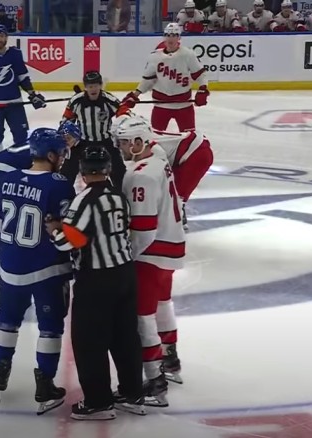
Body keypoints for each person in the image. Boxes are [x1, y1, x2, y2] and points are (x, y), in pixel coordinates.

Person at [46, 147, 145, 420]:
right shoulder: (118, 197)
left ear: (82, 171)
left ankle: (99, 402)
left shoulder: (83, 201)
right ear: (108, 169)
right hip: (125, 273)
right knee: (125, 336)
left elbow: (73, 241)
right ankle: (132, 393)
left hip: (97, 279)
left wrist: (55, 230)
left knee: (89, 341)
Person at [0, 128, 75, 415]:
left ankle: (0, 371)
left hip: (11, 269)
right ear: (50, 155)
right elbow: (65, 230)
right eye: (60, 154)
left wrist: (2, 252)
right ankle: (45, 385)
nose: (63, 158)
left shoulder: (9, 179)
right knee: (50, 327)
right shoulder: (59, 184)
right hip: (48, 270)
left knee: (7, 320)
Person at [115, 115, 186, 405]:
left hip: (151, 252)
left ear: (137, 143)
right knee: (162, 303)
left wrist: (124, 257)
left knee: (142, 315)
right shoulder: (157, 159)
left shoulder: (139, 176)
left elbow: (143, 229)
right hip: (172, 243)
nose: (119, 147)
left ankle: (155, 381)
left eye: (122, 142)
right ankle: (171, 360)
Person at [0, 24, 47, 189]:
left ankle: (24, 169)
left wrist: (32, 94)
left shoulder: (15, 54)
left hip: (15, 104)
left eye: (2, 36)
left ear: (6, 37)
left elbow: (22, 76)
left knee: (21, 136)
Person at [122, 23, 210, 132]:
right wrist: (135, 95)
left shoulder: (188, 54)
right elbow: (148, 79)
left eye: (174, 35)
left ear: (179, 37)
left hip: (183, 105)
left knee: (190, 138)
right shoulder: (155, 57)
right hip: (161, 105)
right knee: (156, 138)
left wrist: (203, 89)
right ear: (164, 37)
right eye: (168, 35)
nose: (171, 38)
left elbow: (200, 74)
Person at [60, 71, 128, 188]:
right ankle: (64, 195)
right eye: (90, 86)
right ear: (85, 87)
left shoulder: (109, 100)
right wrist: (68, 134)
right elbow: (65, 121)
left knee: (119, 170)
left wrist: (123, 121)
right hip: (81, 141)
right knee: (67, 171)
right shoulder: (76, 101)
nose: (93, 89)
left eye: (96, 85)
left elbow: (124, 115)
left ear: (101, 85)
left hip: (105, 140)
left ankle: (120, 194)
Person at [147, 122, 214, 231]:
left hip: (196, 154)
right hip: (191, 149)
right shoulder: (139, 137)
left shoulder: (149, 146)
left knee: (175, 196)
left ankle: (175, 221)